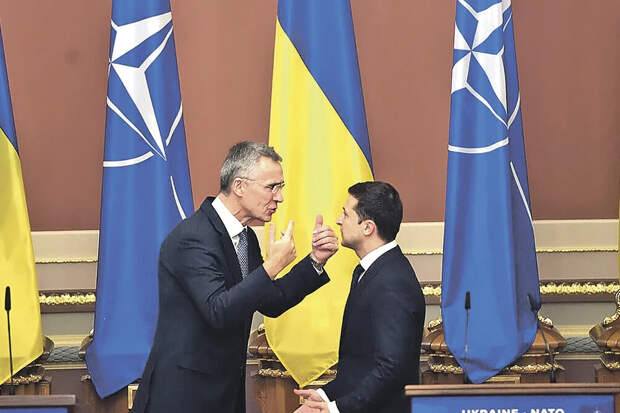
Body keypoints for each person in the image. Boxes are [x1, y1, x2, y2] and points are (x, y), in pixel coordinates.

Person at [131, 141, 339, 413]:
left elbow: (270, 300)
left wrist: (315, 261)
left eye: (281, 187)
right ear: (239, 186)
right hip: (184, 397)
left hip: (223, 394)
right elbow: (218, 311)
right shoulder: (192, 238)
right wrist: (272, 266)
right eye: (271, 187)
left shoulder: (245, 237)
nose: (279, 197)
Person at [295, 181, 425, 413]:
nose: (338, 220)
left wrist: (335, 409)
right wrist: (324, 395)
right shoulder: (371, 270)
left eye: (345, 214)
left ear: (367, 227)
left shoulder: (392, 282)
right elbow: (359, 365)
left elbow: (391, 369)